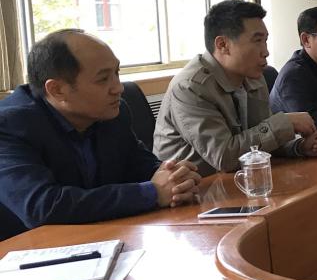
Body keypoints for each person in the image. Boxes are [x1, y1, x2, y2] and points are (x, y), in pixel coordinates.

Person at [0, 30, 201, 241]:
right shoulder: (9, 126)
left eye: (117, 73)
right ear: (57, 90)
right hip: (29, 250)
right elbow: (42, 206)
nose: (118, 88)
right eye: (103, 79)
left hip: (104, 238)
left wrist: (176, 178)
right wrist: (153, 193)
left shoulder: (114, 113)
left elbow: (142, 167)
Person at [154, 0, 317, 176]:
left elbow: (260, 142)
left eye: (265, 41)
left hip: (241, 178)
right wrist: (284, 123)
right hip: (196, 186)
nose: (266, 51)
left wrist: (300, 146)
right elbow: (225, 157)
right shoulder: (190, 87)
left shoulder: (253, 77)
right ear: (223, 45)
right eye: (257, 41)